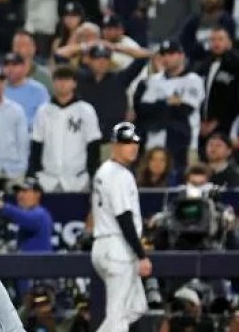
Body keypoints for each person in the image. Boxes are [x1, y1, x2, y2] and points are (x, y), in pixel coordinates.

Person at [91, 122, 151, 332]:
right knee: (118, 317)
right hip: (117, 248)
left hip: (106, 246)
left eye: (135, 142)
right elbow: (124, 217)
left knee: (136, 307)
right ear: (115, 145)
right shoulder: (119, 174)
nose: (132, 147)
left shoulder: (105, 170)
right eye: (126, 143)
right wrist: (141, 255)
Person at [134, 41, 205, 176]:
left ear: (181, 56)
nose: (166, 58)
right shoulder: (153, 80)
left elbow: (184, 110)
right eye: (163, 54)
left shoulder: (193, 80)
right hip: (154, 142)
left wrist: (158, 106)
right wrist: (168, 102)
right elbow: (143, 110)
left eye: (171, 54)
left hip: (185, 143)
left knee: (182, 182)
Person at [27, 66, 103, 192]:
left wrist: (93, 175)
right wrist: (33, 174)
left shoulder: (86, 110)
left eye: (67, 80)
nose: (62, 84)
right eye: (59, 80)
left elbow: (93, 146)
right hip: (48, 180)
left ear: (74, 83)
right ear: (53, 83)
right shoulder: (43, 111)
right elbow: (36, 145)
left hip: (78, 180)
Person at [0, 177, 54, 252]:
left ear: (37, 194)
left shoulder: (41, 214)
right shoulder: (21, 214)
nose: (20, 195)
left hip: (40, 259)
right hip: (25, 258)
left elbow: (26, 219)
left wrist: (0, 205)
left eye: (25, 191)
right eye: (18, 191)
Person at [3, 52, 50, 128]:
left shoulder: (38, 90)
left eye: (15, 65)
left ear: (24, 68)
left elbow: (45, 117)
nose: (10, 69)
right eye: (6, 65)